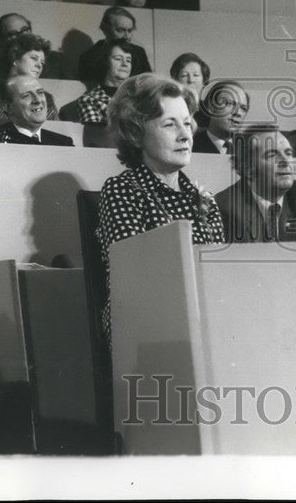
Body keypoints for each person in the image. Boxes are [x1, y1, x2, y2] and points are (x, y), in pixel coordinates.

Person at [96, 74, 226, 341]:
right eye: (170, 125)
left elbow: (219, 272)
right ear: (136, 133)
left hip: (206, 318)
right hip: (146, 327)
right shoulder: (123, 190)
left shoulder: (204, 198)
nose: (184, 135)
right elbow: (132, 280)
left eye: (187, 124)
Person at [216, 123, 296, 241]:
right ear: (248, 169)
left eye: (288, 154)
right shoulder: (224, 208)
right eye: (272, 155)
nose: (285, 161)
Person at [77, 6, 151, 84]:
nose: (126, 36)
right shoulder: (90, 55)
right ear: (105, 29)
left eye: (130, 31)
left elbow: (148, 83)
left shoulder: (139, 52)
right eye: (120, 30)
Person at [0, 34, 59, 120]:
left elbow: (56, 130)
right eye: (34, 58)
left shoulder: (47, 99)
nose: (39, 65)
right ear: (14, 58)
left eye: (42, 62)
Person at [77, 40, 133, 124]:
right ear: (105, 62)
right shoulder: (90, 100)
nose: (125, 64)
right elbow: (95, 134)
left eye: (128, 60)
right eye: (118, 59)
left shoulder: (139, 97)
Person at [192, 80, 249, 154]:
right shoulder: (190, 146)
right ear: (211, 107)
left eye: (243, 108)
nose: (238, 113)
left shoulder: (250, 151)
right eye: (230, 104)